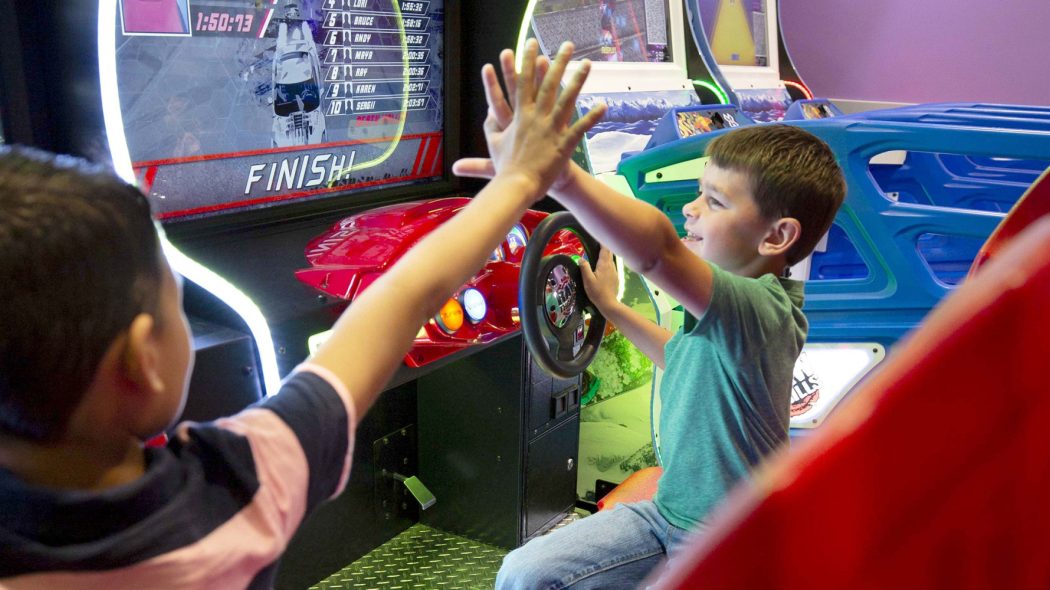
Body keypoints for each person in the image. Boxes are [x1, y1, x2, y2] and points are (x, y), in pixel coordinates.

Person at [0, 39, 602, 589]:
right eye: (175, 303)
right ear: (142, 361)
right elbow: (403, 296)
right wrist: (517, 181)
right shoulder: (238, 488)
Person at [454, 49, 846, 589]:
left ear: (776, 237)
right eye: (698, 193)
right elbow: (682, 358)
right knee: (525, 571)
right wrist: (613, 308)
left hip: (726, 537)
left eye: (715, 202)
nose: (690, 208)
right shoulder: (731, 315)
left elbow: (658, 252)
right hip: (669, 511)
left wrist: (560, 177)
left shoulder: (762, 311)